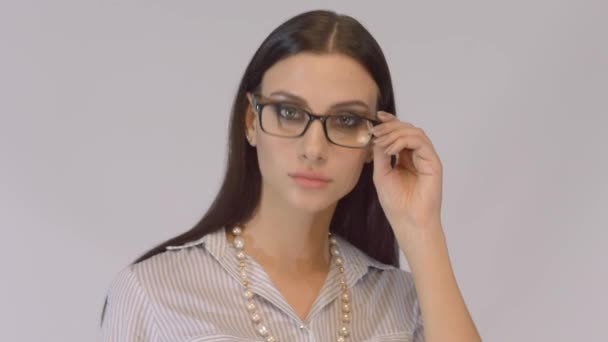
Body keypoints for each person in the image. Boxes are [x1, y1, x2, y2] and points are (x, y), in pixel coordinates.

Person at [100, 9, 481, 342]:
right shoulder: (152, 292)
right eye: (289, 113)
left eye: (346, 120)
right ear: (252, 121)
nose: (313, 148)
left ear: (373, 143)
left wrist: (423, 229)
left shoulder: (405, 302)